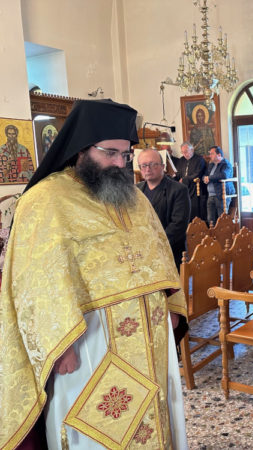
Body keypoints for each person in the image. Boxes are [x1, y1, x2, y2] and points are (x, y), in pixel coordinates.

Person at [0, 99, 188, 450]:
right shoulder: (45, 199)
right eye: (110, 153)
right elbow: (34, 280)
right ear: (82, 148)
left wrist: (172, 306)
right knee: (97, 433)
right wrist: (57, 346)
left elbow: (159, 253)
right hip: (89, 342)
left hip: (150, 337)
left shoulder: (134, 198)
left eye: (126, 154)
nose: (120, 163)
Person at [137, 148, 190, 270]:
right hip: (142, 253)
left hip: (169, 251)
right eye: (144, 165)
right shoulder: (136, 190)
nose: (148, 169)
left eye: (153, 164)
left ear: (163, 166)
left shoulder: (179, 190)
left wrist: (154, 245)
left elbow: (178, 225)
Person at [203, 145, 235, 224]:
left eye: (212, 153)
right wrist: (205, 178)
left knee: (222, 220)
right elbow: (205, 175)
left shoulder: (226, 164)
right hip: (210, 195)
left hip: (221, 195)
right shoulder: (211, 165)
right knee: (210, 220)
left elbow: (224, 175)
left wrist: (209, 178)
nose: (210, 156)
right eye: (210, 154)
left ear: (219, 155)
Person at [175, 141, 206, 222]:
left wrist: (185, 179)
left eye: (186, 151)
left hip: (195, 188)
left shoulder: (199, 159)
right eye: (182, 152)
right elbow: (178, 173)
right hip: (183, 188)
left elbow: (198, 174)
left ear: (192, 150)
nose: (184, 154)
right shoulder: (181, 160)